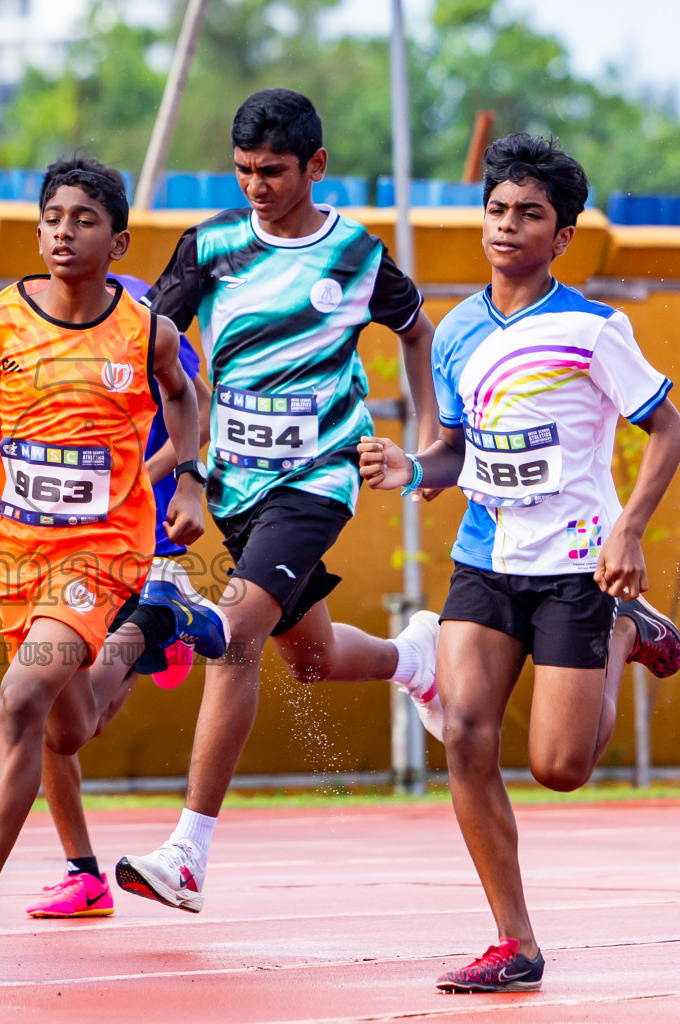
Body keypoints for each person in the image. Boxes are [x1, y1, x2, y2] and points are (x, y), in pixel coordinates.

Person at [358, 133, 680, 992]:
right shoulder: (458, 330)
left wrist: (631, 532)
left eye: (529, 214)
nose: (508, 226)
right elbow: (455, 452)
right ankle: (515, 942)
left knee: (560, 768)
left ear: (562, 235)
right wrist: (412, 469)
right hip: (487, 556)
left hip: (580, 565)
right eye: (497, 209)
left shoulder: (592, 328)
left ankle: (622, 635)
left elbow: (668, 431)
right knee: (465, 735)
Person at [116, 88, 445, 914]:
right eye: (244, 171)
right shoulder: (212, 246)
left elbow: (417, 333)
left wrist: (432, 440)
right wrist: (164, 465)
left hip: (319, 479)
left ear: (316, 167)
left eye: (273, 172)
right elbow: (151, 346)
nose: (257, 186)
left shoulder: (358, 256)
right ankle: (417, 661)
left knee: (230, 634)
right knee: (312, 660)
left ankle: (187, 854)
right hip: (235, 481)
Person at [0, 156, 216, 973]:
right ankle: (155, 625)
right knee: (69, 728)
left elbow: (185, 398)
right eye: (54, 219)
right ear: (37, 230)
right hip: (17, 552)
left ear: (120, 240)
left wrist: (184, 476)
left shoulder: (147, 332)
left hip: (102, 548)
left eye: (84, 220)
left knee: (21, 697)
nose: (65, 233)